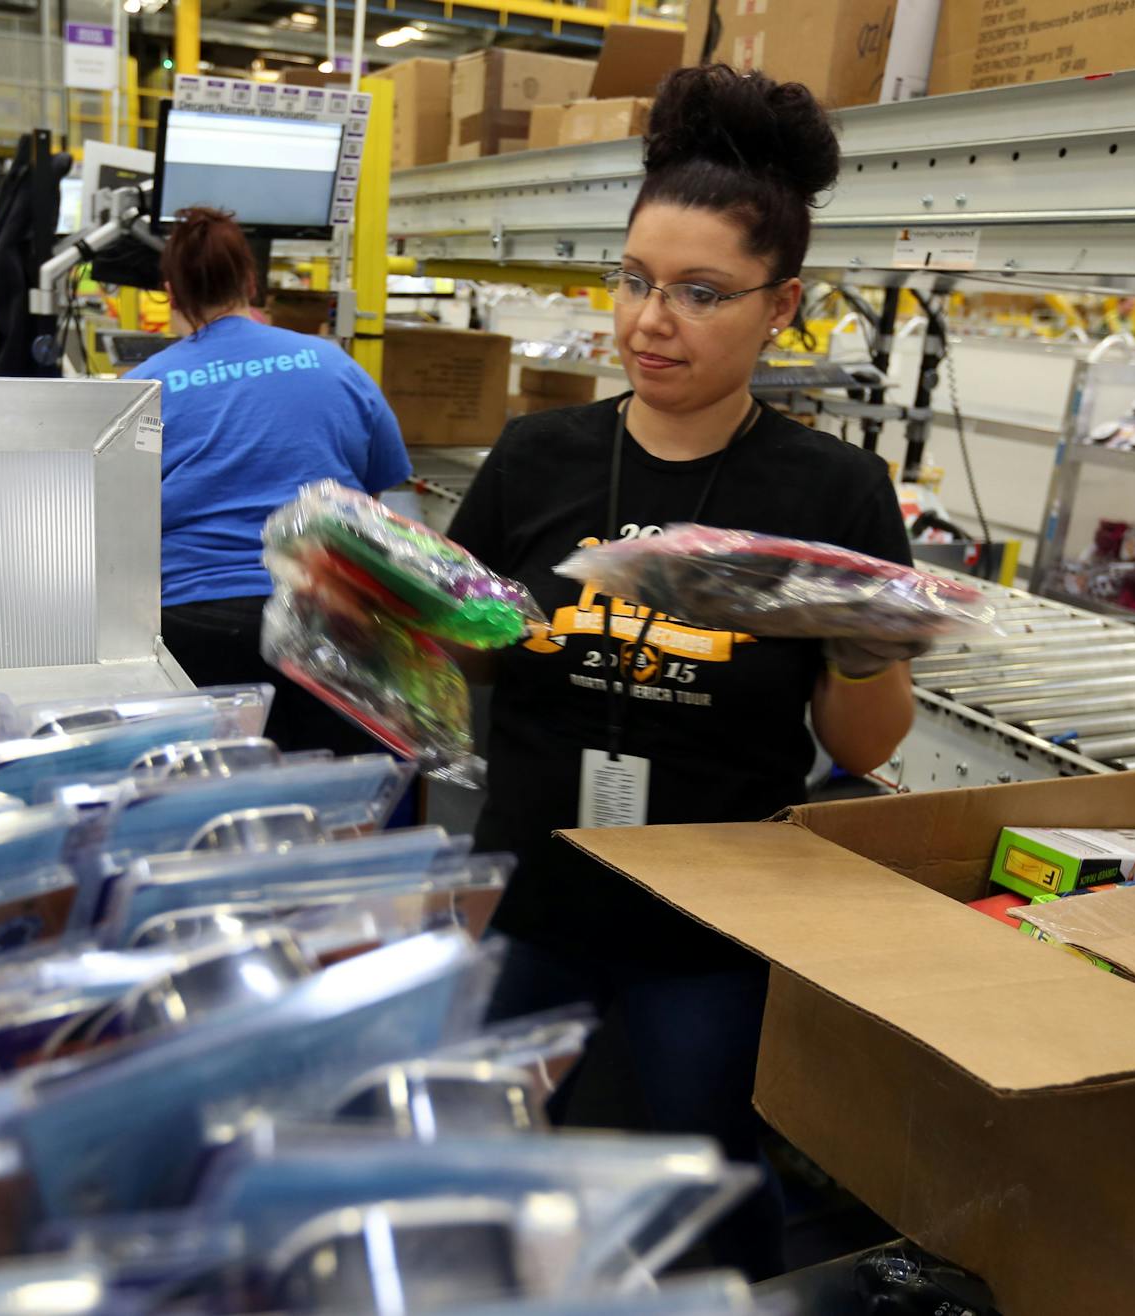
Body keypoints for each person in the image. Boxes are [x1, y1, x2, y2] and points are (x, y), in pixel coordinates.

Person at [445, 65, 917, 1277]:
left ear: (783, 307)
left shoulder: (832, 496)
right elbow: (461, 653)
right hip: (537, 892)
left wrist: (869, 634)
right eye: (636, 281)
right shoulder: (537, 454)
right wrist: (382, 599)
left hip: (707, 922)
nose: (652, 320)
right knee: (488, 1163)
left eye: (701, 293)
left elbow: (862, 748)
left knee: (700, 1181)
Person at [129, 207, 413, 753]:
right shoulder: (335, 365)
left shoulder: (142, 387)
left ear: (169, 292)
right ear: (251, 281)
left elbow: (117, 522)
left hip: (191, 632)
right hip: (327, 621)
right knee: (333, 794)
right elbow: (374, 496)